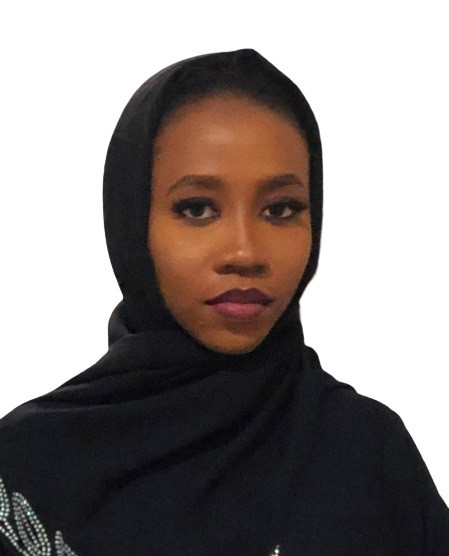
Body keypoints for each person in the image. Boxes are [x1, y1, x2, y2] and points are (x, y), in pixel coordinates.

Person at [0, 48, 448, 556]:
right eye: (197, 209)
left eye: (281, 210)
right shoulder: (25, 468)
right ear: (131, 222)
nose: (245, 253)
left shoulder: (369, 456)